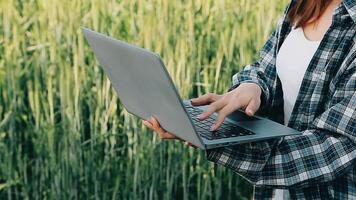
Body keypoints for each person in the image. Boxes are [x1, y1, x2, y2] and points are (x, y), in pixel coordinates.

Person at [143, 0, 356, 199]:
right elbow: (266, 67)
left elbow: (335, 149)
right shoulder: (303, 4)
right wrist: (253, 86)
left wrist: (217, 141)